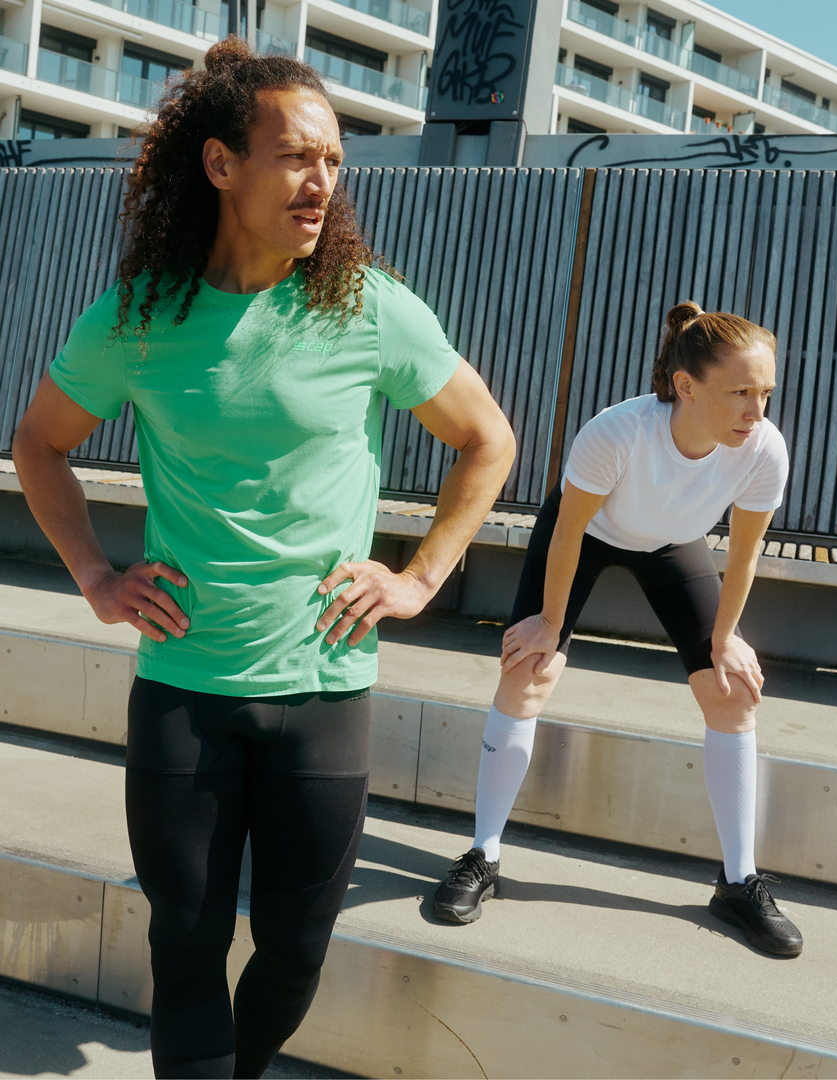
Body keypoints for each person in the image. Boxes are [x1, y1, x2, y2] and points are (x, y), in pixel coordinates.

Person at [12, 38, 514, 1079]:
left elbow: (487, 440)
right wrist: (97, 577)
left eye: (332, 160)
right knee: (185, 950)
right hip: (185, 689)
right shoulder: (141, 316)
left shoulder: (364, 304)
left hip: (324, 688)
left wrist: (419, 577)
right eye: (295, 157)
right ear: (221, 164)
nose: (321, 181)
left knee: (293, 953)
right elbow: (39, 443)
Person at [432, 302, 803, 958]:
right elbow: (569, 529)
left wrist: (725, 638)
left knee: (733, 691)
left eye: (766, 393)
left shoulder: (763, 449)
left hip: (673, 545)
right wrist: (548, 625)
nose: (757, 411)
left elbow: (744, 555)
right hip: (588, 535)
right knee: (528, 672)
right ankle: (483, 855)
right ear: (686, 387)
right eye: (740, 392)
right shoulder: (619, 432)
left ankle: (738, 881)